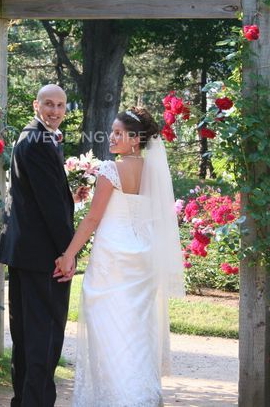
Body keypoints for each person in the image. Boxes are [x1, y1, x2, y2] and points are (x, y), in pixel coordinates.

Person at [56, 107, 185, 407]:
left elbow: (92, 220)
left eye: (118, 133)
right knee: (137, 332)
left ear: (136, 140)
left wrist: (68, 255)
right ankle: (141, 396)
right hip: (143, 259)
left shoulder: (111, 170)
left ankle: (118, 398)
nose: (111, 138)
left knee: (108, 332)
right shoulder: (154, 172)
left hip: (112, 259)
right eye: (112, 132)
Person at [0, 84, 87, 407]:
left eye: (60, 105)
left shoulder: (35, 136)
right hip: (43, 258)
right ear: (36, 105)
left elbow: (38, 195)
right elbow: (49, 207)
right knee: (43, 341)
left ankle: (23, 401)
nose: (55, 111)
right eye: (48, 104)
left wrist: (69, 196)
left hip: (25, 253)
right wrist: (69, 252)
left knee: (26, 338)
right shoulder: (37, 141)